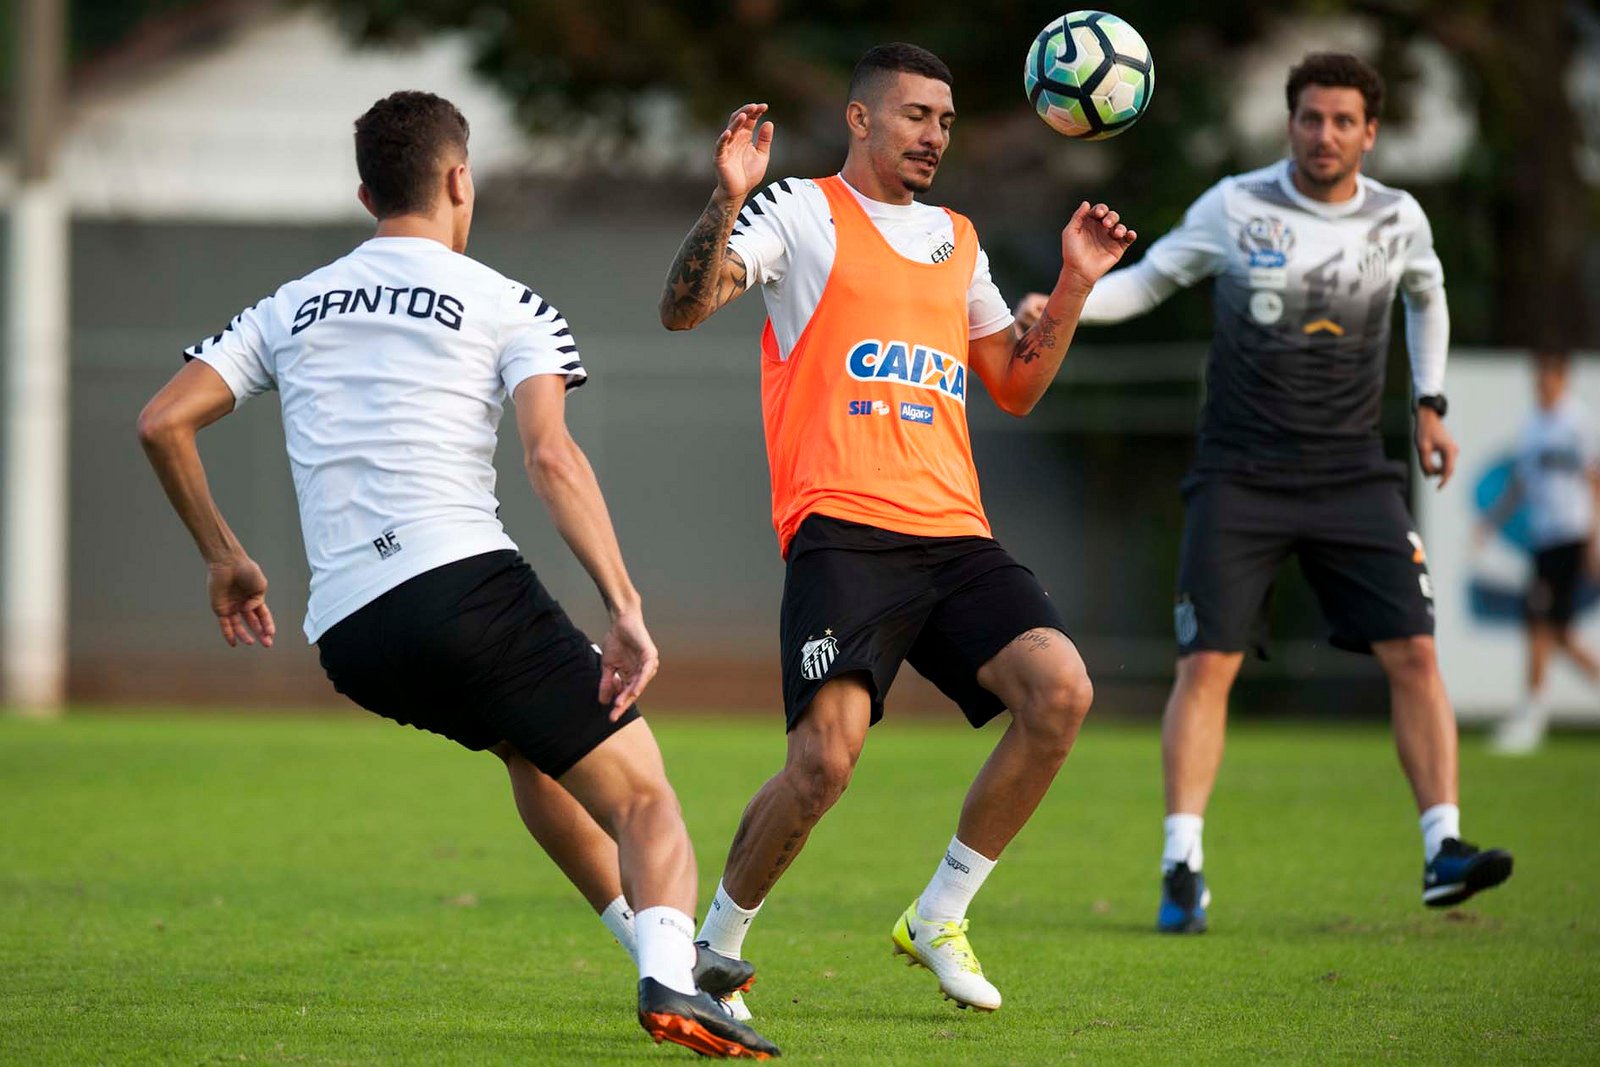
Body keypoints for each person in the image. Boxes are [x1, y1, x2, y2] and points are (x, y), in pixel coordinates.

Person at [136, 90, 779, 1059]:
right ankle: (671, 978)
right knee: (646, 798)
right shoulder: (506, 301)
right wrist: (625, 604)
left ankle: (660, 948)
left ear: (365, 193)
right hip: (463, 585)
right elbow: (551, 459)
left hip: (352, 634)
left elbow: (161, 419)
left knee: (532, 749)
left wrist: (226, 557)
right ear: (458, 179)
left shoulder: (291, 303)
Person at [657, 43, 1135, 1016]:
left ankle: (939, 911)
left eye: (946, 122)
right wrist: (726, 197)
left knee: (1059, 690)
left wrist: (1076, 281)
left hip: (955, 533)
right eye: (916, 115)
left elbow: (1014, 384)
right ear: (862, 118)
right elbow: (683, 307)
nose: (933, 136)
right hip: (844, 529)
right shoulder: (797, 210)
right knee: (824, 761)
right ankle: (714, 950)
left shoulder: (956, 238)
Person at [1019, 52, 1513, 932]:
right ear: (1290, 123)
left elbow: (1428, 299)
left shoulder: (1399, 218)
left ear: (1370, 131)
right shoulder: (1235, 206)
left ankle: (1444, 847)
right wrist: (1065, 299)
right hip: (1240, 472)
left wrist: (1429, 404)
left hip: (1352, 471)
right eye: (1310, 117)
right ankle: (1182, 865)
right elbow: (1146, 283)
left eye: (1342, 120)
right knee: (1209, 664)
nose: (1324, 134)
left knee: (1416, 653)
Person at [1478, 350, 1600, 754]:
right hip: (1542, 538)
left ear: (1563, 379)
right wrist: (1490, 523)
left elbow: (1593, 481)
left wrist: (1595, 541)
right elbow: (1520, 485)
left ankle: (1531, 716)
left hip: (1571, 534)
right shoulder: (1531, 425)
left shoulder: (1576, 422)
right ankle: (1532, 712)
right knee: (1558, 632)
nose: (1542, 385)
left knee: (1539, 624)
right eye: (1538, 378)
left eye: (1549, 377)